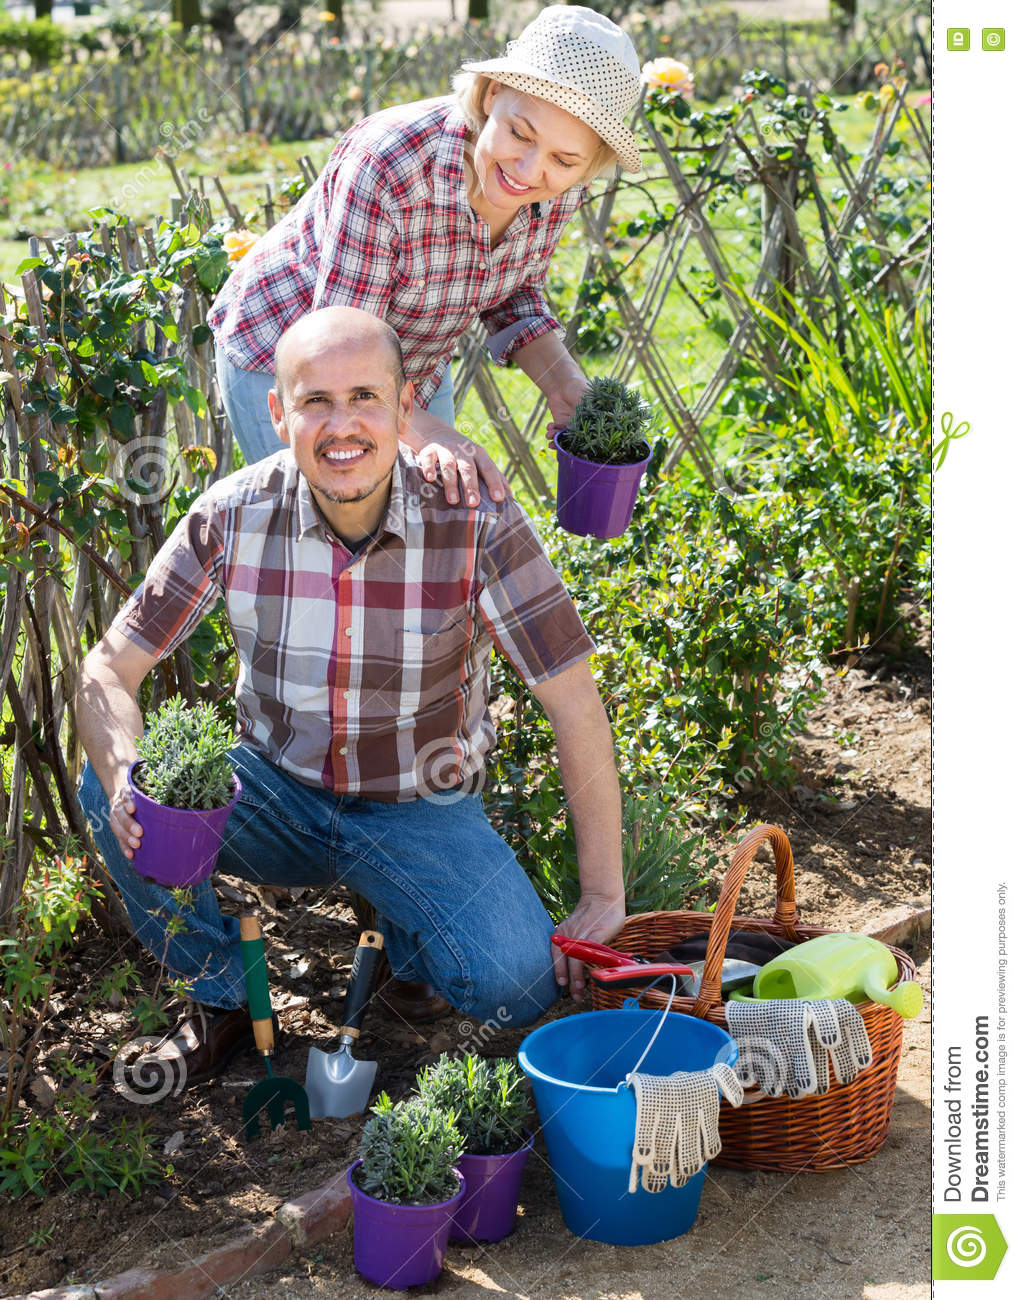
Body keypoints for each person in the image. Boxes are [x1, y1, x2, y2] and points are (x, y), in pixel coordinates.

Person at [75, 306, 625, 1085]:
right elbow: (106, 670)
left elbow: (572, 701)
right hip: (272, 794)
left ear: (406, 408)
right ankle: (226, 994)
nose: (342, 426)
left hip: (417, 806)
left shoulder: (476, 521)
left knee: (516, 983)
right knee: (107, 795)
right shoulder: (231, 515)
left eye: (365, 396)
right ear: (277, 412)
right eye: (315, 401)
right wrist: (126, 769)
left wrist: (603, 893)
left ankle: (402, 929)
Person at [208, 3, 642, 507]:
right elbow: (343, 350)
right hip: (290, 354)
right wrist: (432, 433)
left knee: (421, 528)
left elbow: (510, 288)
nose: (528, 169)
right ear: (492, 93)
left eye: (564, 160)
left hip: (410, 360)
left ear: (589, 164)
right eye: (520, 133)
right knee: (324, 535)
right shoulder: (389, 163)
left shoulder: (558, 189)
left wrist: (562, 382)